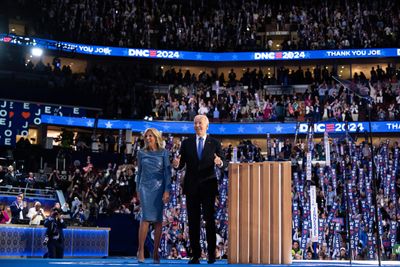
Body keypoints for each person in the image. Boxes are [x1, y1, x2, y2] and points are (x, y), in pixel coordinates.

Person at [173, 115, 226, 264]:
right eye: (195, 123)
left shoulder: (214, 143)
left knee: (209, 221)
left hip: (208, 187)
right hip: (191, 188)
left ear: (207, 125)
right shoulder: (187, 143)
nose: (197, 125)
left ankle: (211, 255)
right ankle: (195, 255)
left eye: (200, 123)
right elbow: (181, 164)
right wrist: (176, 164)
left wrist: (220, 162)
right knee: (193, 222)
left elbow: (224, 162)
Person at [136, 128, 171, 264]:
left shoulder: (164, 153)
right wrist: (138, 189)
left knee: (158, 220)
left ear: (156, 138)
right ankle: (140, 250)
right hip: (144, 187)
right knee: (145, 218)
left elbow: (167, 173)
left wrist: (167, 190)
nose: (148, 138)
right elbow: (139, 173)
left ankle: (155, 252)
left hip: (159, 188)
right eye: (147, 136)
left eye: (151, 136)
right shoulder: (141, 153)